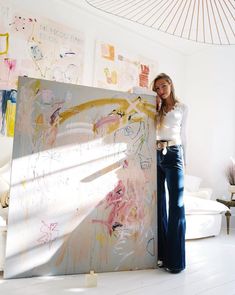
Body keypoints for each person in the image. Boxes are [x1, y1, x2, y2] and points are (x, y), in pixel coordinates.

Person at [152, 73, 188, 274]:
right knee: (159, 206)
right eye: (157, 88)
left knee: (176, 206)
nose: (160, 90)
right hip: (156, 153)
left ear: (170, 84)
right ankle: (161, 256)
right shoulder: (156, 108)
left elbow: (184, 135)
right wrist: (154, 104)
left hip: (174, 154)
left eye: (163, 86)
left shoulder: (182, 107)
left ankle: (175, 262)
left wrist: (185, 161)